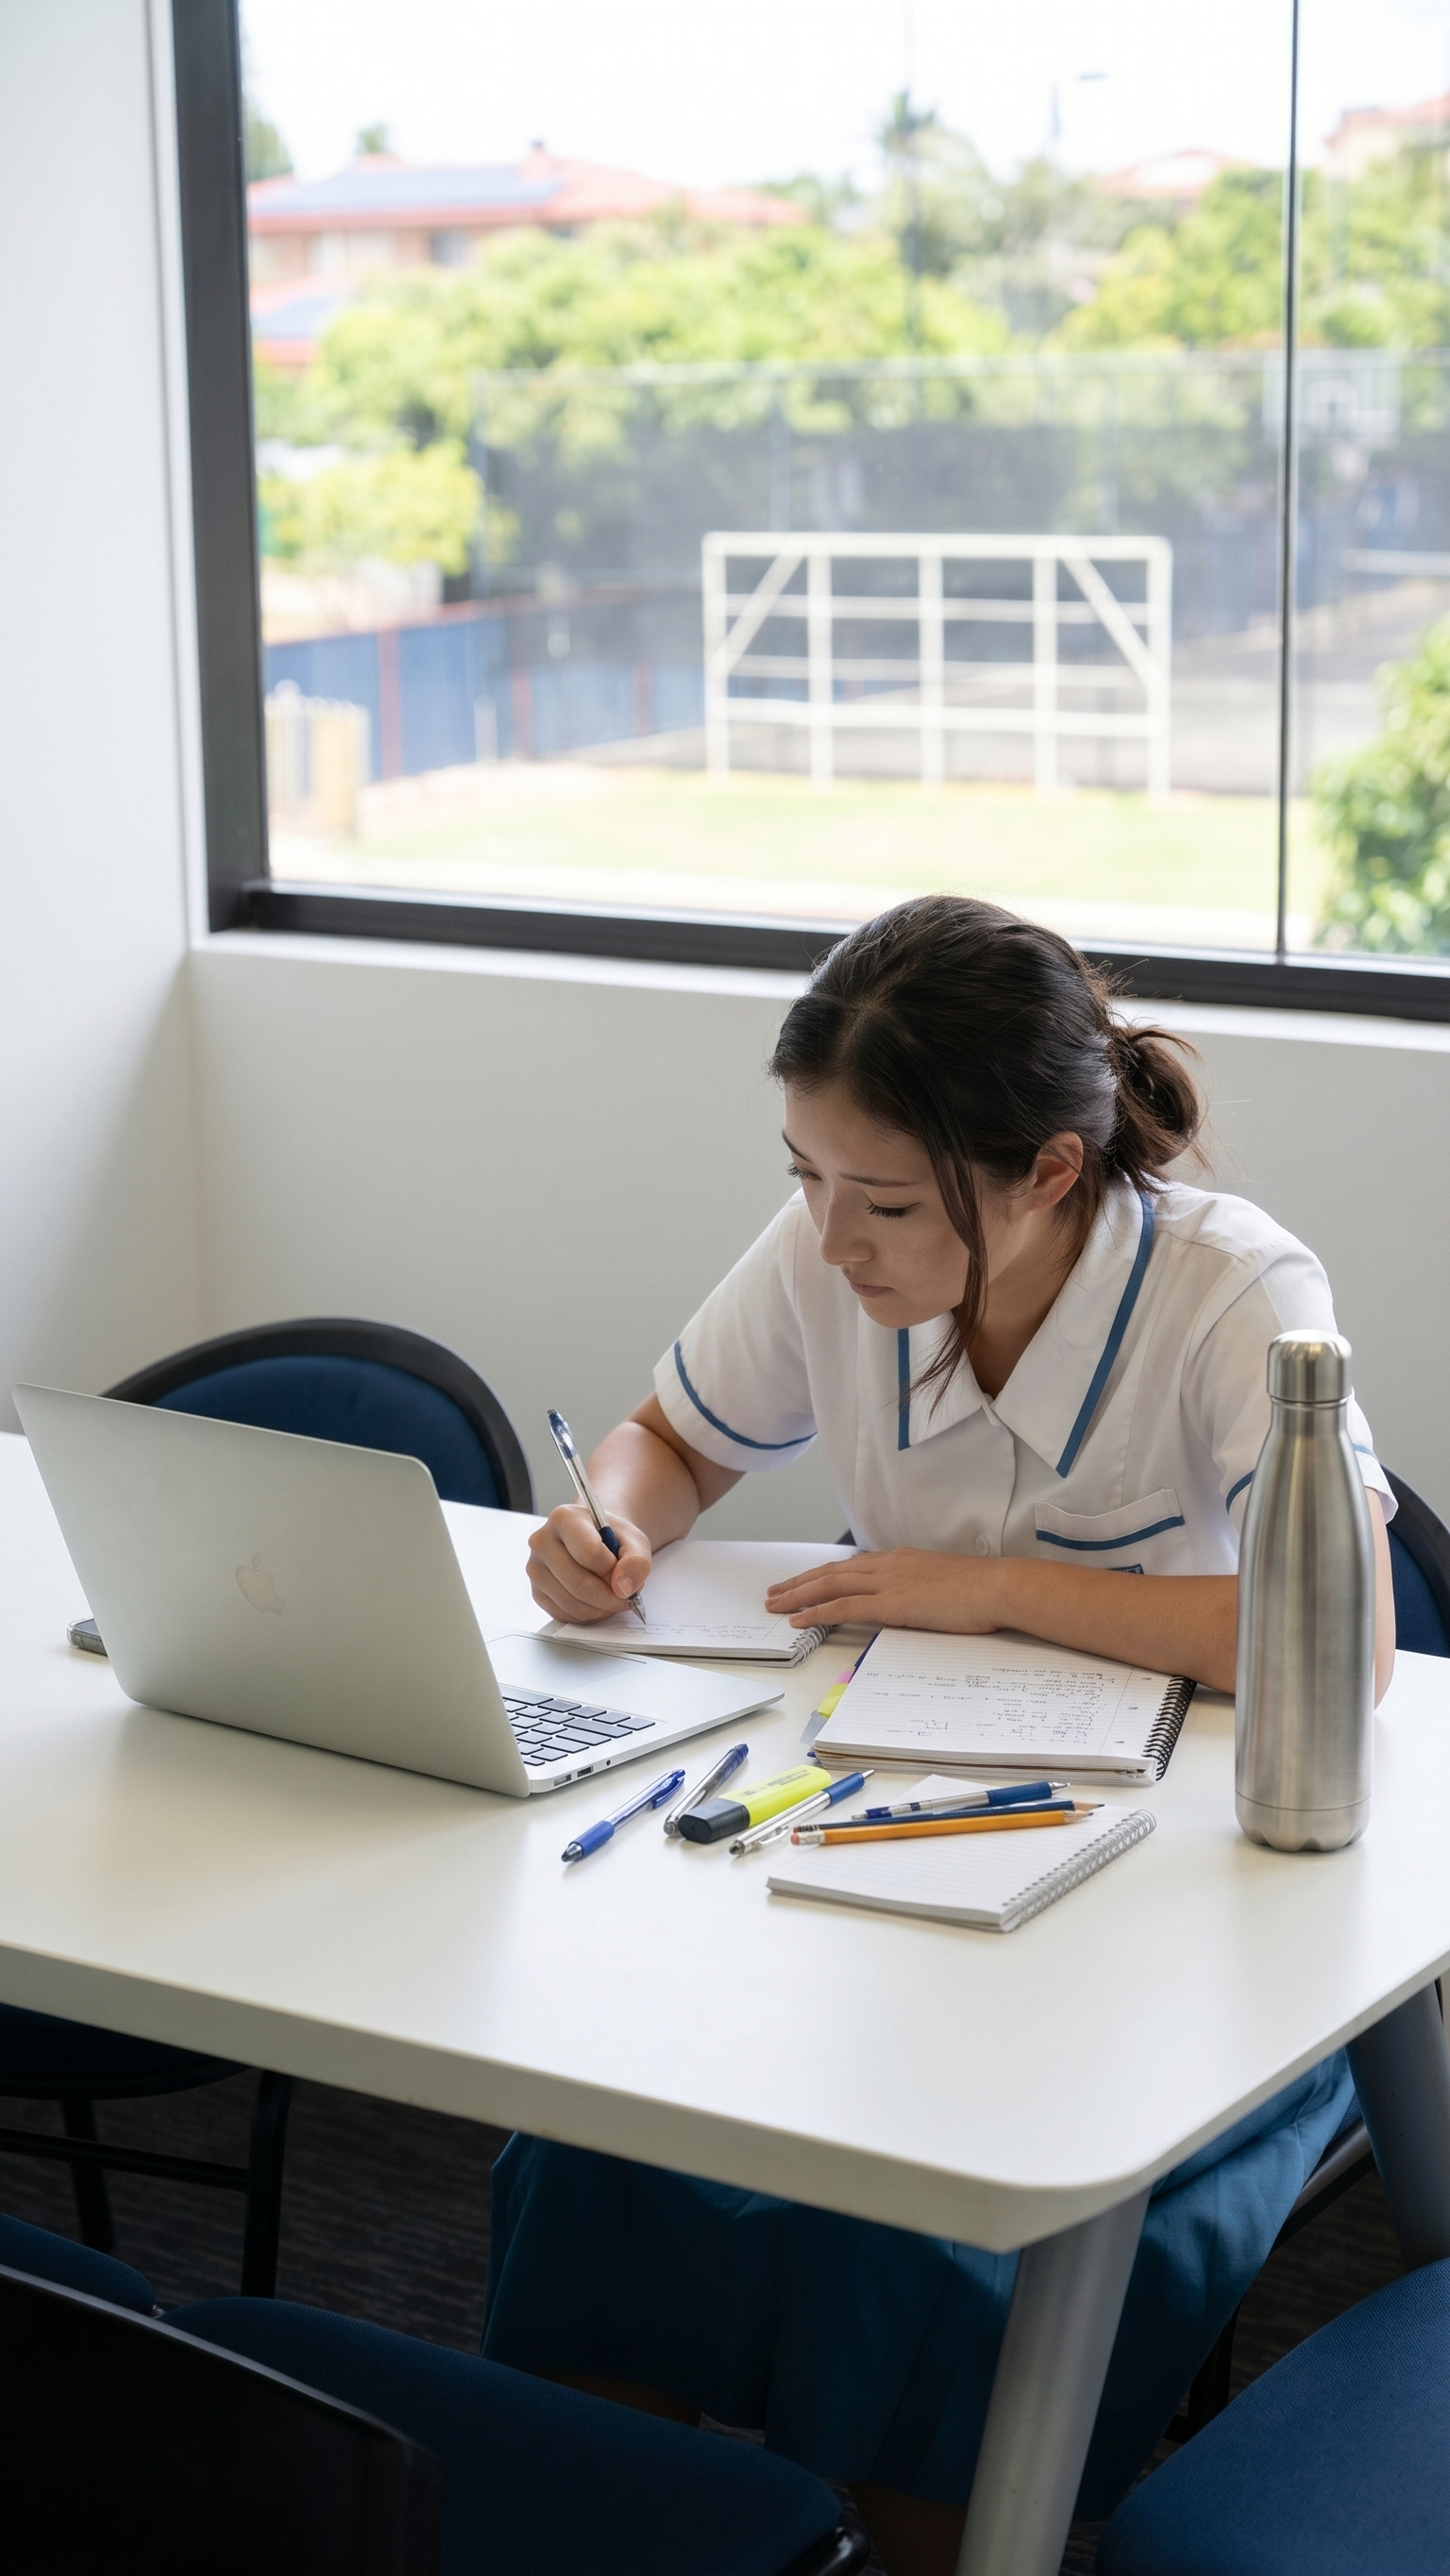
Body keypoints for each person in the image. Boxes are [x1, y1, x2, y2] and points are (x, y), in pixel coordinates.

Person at [486, 898, 1396, 2576]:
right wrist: (606, 1525)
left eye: (882, 1200)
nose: (833, 1240)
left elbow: (1343, 1650)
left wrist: (996, 1590)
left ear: (1050, 1170)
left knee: (933, 2250)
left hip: (1174, 1914)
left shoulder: (1234, 1290)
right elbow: (671, 1440)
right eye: (802, 1178)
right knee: (606, 2151)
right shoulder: (849, 1237)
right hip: (874, 1845)